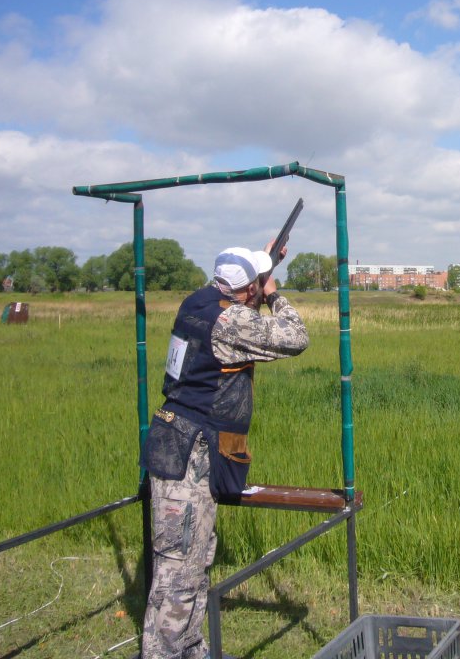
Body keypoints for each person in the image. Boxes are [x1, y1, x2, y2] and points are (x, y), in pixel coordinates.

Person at [140, 244, 309, 659]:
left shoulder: (197, 300)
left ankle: (191, 649)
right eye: (255, 285)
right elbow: (296, 336)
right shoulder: (231, 321)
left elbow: (237, 296)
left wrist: (263, 265)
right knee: (178, 572)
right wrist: (273, 292)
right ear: (249, 289)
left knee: (195, 560)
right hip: (190, 452)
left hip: (181, 443)